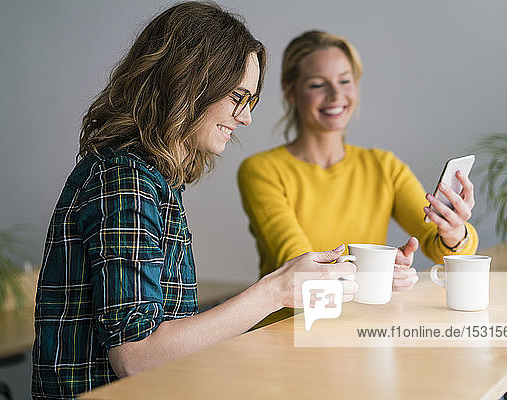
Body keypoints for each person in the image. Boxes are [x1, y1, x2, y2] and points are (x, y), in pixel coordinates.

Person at [32, 6, 358, 399]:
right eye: (238, 96)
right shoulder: (126, 182)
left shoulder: (150, 181)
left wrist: (282, 284)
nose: (245, 118)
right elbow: (137, 356)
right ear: (189, 82)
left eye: (250, 101)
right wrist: (275, 291)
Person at [237, 31, 478, 324]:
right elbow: (301, 267)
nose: (336, 96)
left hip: (359, 330)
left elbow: (441, 247)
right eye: (317, 84)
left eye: (344, 81)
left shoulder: (384, 166)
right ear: (291, 92)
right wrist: (373, 272)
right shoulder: (261, 170)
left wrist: (454, 233)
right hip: (290, 332)